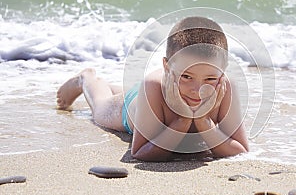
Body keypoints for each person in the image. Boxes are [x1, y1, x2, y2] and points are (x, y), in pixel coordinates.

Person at [57, 16, 249, 161]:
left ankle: (114, 86)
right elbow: (140, 152)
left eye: (209, 78)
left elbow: (240, 149)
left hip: (149, 104)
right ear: (167, 67)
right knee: (100, 109)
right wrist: (182, 121)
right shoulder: (152, 87)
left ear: (222, 72)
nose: (196, 89)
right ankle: (86, 79)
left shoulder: (226, 87)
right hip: (134, 106)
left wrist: (202, 121)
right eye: (186, 77)